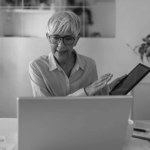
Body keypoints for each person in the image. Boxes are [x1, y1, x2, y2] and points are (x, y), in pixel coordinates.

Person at [29, 11, 126, 97]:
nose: (61, 46)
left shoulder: (90, 64)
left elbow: (92, 100)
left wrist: (107, 90)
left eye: (67, 39)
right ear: (48, 38)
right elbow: (44, 107)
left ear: (76, 40)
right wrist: (86, 91)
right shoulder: (37, 67)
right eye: (55, 38)